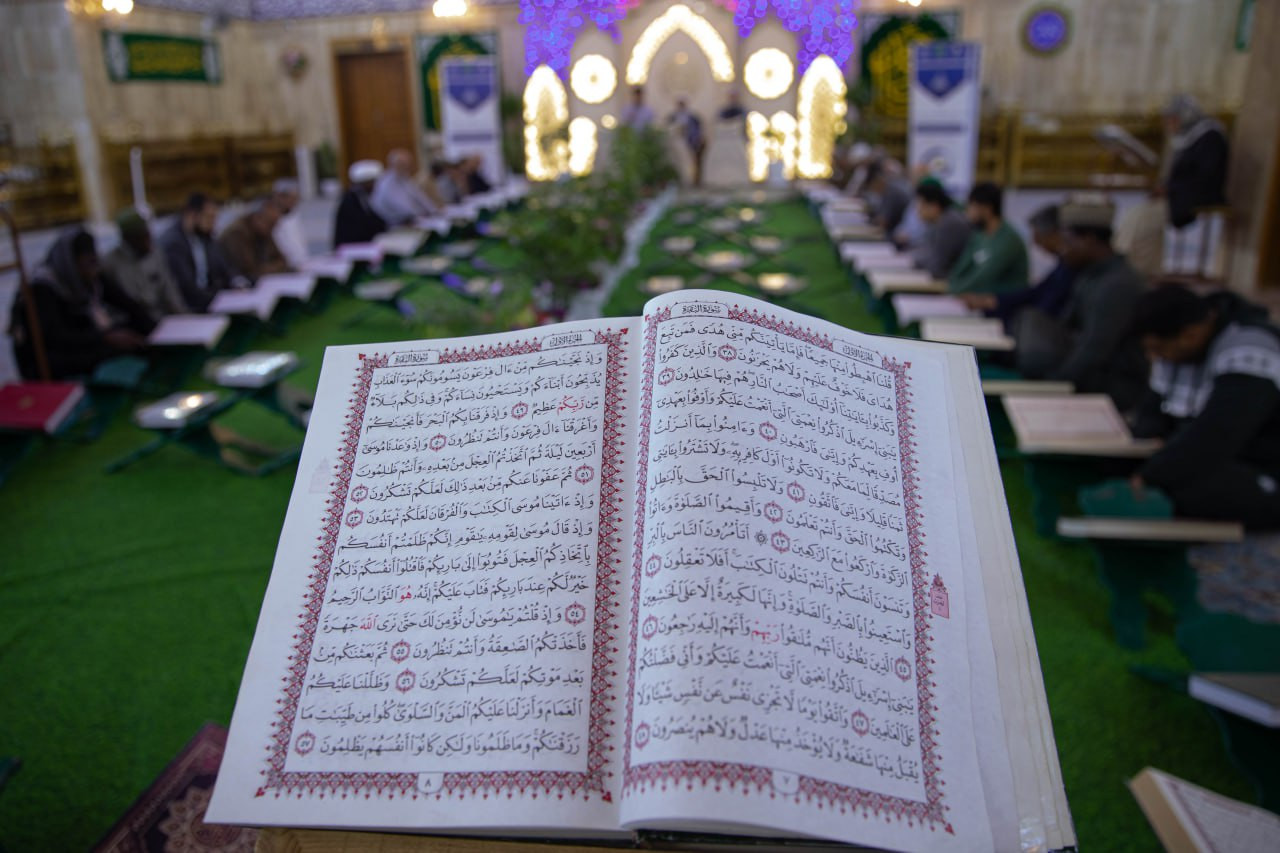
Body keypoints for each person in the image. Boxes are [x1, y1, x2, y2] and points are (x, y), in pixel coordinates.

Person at [1129, 285, 1280, 529]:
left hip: (1261, 464)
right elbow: (1152, 412)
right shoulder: (1177, 349)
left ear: (1190, 334)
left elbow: (1219, 432)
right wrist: (1145, 443)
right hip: (1218, 458)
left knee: (1185, 487)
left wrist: (1153, 474)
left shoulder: (1251, 348)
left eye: (1157, 348)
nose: (1153, 357)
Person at [1042, 196, 1148, 410]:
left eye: (1067, 242)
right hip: (1087, 380)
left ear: (1089, 239)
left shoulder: (1117, 285)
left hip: (1111, 391)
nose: (1063, 250)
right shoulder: (1090, 275)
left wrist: (1051, 387)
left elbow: (1093, 350)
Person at [9, 229, 154, 380]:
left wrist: (154, 331)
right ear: (72, 262)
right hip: (47, 356)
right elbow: (55, 337)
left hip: (78, 339)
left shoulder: (89, 276)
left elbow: (126, 303)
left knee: (132, 335)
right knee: (108, 352)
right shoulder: (42, 288)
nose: (93, 271)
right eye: (87, 264)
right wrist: (106, 338)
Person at [960, 205, 1077, 377]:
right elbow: (1036, 292)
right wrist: (994, 300)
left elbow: (1044, 305)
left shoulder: (1071, 269)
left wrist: (995, 302)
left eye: (1037, 236)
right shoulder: (1064, 265)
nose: (1035, 242)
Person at [103, 208, 190, 324]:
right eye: (143, 236)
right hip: (133, 325)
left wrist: (186, 320)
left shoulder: (156, 255)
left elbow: (171, 293)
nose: (149, 240)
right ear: (128, 238)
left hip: (163, 320)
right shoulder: (110, 263)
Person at [159, 192, 243, 312]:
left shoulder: (203, 236)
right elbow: (188, 290)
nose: (213, 223)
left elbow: (225, 266)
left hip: (213, 299)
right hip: (194, 308)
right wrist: (223, 299)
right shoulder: (173, 244)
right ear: (192, 215)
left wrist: (237, 283)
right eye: (209, 217)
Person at [1161, 94, 1229, 229]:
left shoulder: (1209, 136)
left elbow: (1206, 175)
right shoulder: (1189, 138)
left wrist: (1171, 187)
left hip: (1200, 198)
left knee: (1147, 217)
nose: (1170, 125)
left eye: (1173, 119)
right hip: (1183, 196)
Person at [947, 182, 1029, 295]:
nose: (967, 213)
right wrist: (953, 286)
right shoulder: (979, 235)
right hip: (976, 298)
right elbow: (961, 268)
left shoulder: (1008, 240)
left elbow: (983, 277)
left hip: (1004, 302)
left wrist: (955, 292)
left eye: (971, 206)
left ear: (987, 209)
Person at [217, 198, 290, 284]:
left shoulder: (265, 232)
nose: (273, 228)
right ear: (257, 217)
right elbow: (250, 271)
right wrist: (274, 267)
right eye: (270, 223)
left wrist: (271, 267)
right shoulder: (237, 233)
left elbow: (282, 260)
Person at [910, 181, 971, 280]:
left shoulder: (950, 224)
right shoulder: (941, 221)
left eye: (921, 206)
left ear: (934, 206)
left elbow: (937, 266)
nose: (918, 211)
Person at [371, 149, 436, 225]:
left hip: (412, 220)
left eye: (408, 164)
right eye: (403, 164)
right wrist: (419, 214)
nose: (407, 167)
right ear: (394, 164)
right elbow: (403, 207)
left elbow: (419, 196)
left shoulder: (404, 178)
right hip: (395, 224)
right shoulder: (386, 183)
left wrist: (433, 210)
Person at [333, 160, 387, 248]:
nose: (375, 186)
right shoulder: (351, 200)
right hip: (352, 247)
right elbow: (363, 225)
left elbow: (374, 218)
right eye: (372, 182)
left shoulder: (362, 197)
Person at [861, 159, 914, 238]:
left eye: (872, 188)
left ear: (877, 181)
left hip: (900, 234)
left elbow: (882, 223)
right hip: (898, 231)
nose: (874, 191)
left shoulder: (892, 191)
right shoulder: (890, 187)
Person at [270, 178, 308, 269]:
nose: (295, 202)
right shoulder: (270, 217)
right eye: (292, 199)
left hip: (301, 265)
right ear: (280, 197)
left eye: (296, 198)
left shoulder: (293, 214)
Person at [667, 98, 706, 185]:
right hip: (676, 144)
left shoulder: (693, 117)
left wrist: (697, 140)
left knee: (690, 163)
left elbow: (697, 131)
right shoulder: (672, 117)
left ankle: (691, 180)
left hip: (690, 143)